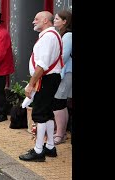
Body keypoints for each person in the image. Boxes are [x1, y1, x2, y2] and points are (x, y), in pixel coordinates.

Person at [19, 11, 64, 162]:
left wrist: (31, 84)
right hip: (50, 78)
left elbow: (42, 65)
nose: (33, 21)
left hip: (46, 79)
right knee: (47, 112)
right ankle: (50, 147)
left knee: (39, 114)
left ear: (45, 20)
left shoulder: (49, 37)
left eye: (36, 19)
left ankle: (39, 151)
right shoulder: (51, 35)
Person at [52, 10, 72, 145]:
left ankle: (60, 134)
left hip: (66, 73)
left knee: (58, 102)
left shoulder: (68, 35)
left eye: (57, 19)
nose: (54, 20)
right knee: (60, 103)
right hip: (63, 72)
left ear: (65, 21)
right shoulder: (62, 34)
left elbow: (63, 56)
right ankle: (61, 132)